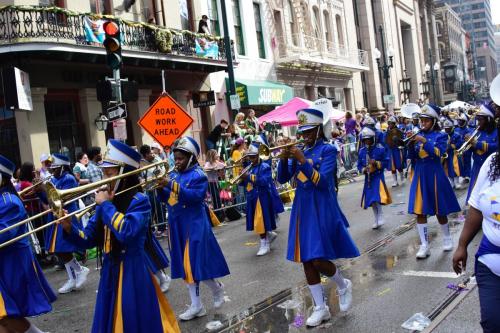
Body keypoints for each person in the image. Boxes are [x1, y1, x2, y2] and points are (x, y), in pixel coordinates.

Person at [60, 139, 180, 333]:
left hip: (133, 270)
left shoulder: (139, 201)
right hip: (110, 271)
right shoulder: (107, 202)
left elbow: (127, 232)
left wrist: (105, 205)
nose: (104, 178)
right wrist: (69, 228)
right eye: (104, 173)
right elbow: (89, 238)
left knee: (132, 322)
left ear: (124, 175)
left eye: (110, 173)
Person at [277, 100, 360, 327]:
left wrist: (302, 161)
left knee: (318, 258)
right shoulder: (299, 151)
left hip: (322, 207)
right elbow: (283, 179)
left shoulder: (328, 150)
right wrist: (284, 159)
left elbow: (322, 182)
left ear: (318, 130)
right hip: (303, 209)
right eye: (301, 132)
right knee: (306, 259)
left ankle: (343, 284)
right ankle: (320, 307)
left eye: (308, 131)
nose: (303, 136)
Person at [158, 137, 230, 321]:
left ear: (190, 157)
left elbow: (194, 197)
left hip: (194, 224)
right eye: (176, 158)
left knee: (192, 264)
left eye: (181, 158)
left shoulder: (199, 175)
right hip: (176, 224)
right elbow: (166, 198)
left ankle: (201, 302)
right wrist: (160, 188)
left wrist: (170, 185)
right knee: (187, 266)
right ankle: (207, 297)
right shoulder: (173, 174)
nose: (177, 162)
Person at [0, 155, 57, 333]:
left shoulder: (9, 201)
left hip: (14, 263)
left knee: (7, 315)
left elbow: (4, 234)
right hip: (6, 262)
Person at [452, 133, 500, 332]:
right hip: (489, 264)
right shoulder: (492, 163)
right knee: (492, 323)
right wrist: (461, 245)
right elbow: (475, 208)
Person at [406, 104, 461, 259]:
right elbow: (413, 157)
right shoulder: (417, 135)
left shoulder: (442, 136)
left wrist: (424, 141)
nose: (422, 123)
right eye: (421, 120)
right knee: (419, 211)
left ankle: (447, 237)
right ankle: (424, 245)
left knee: (439, 209)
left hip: (435, 174)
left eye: (426, 121)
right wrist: (410, 145)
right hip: (420, 175)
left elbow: (439, 154)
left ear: (434, 121)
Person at [44, 153, 89, 294]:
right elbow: (49, 199)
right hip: (57, 216)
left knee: (64, 248)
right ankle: (73, 276)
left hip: (67, 215)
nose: (52, 170)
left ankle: (80, 270)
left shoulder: (68, 178)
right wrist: (40, 191)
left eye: (55, 168)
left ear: (63, 167)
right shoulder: (54, 179)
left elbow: (62, 200)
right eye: (52, 168)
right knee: (59, 249)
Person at [237, 142, 282, 256]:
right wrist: (241, 178)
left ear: (259, 155)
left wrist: (248, 176)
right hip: (252, 197)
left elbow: (264, 181)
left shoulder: (265, 167)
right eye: (249, 157)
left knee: (260, 221)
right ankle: (269, 236)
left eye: (253, 156)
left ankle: (264, 244)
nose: (251, 159)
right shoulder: (249, 168)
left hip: (262, 197)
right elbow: (244, 184)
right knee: (258, 221)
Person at [358, 127, 392, 229]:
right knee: (371, 200)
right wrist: (363, 169)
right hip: (368, 178)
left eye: (369, 139)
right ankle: (376, 218)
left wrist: (376, 163)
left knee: (376, 197)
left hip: (377, 176)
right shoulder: (361, 151)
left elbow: (386, 162)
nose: (367, 141)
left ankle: (381, 215)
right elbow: (359, 165)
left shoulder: (380, 149)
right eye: (365, 140)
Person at [465, 104, 498, 203]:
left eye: (480, 120)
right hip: (477, 168)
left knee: (490, 199)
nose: (478, 122)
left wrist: (476, 144)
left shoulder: (496, 132)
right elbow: (471, 150)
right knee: (474, 199)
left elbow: (495, 147)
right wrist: (467, 144)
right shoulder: (477, 131)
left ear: (488, 119)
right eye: (477, 119)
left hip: (491, 168)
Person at [139, 145, 168, 238]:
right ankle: (152, 230)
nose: (153, 154)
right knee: (152, 210)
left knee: (161, 208)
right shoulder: (141, 164)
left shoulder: (156, 158)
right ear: (145, 155)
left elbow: (163, 169)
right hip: (150, 189)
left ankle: (162, 228)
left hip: (159, 187)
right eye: (150, 153)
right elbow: (143, 176)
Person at [442, 119, 463, 189]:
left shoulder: (457, 135)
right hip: (446, 155)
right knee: (447, 168)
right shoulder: (443, 135)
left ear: (452, 128)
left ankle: (456, 182)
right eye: (446, 129)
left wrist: (451, 146)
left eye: (449, 129)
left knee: (455, 168)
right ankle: (451, 182)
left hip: (454, 155)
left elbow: (460, 143)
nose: (447, 130)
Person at [385, 116, 406, 187]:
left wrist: (399, 143)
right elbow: (386, 141)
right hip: (391, 150)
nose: (390, 125)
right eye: (389, 123)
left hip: (397, 149)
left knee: (399, 165)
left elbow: (403, 140)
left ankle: (402, 178)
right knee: (392, 166)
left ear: (394, 124)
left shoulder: (399, 131)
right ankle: (395, 181)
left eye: (391, 123)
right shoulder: (387, 132)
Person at [204, 149, 226, 216]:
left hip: (216, 182)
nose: (217, 155)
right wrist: (213, 168)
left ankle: (220, 213)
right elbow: (205, 168)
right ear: (212, 155)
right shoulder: (208, 163)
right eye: (216, 154)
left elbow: (224, 165)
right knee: (215, 198)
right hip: (210, 183)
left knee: (218, 198)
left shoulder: (216, 162)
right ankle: (217, 213)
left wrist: (221, 168)